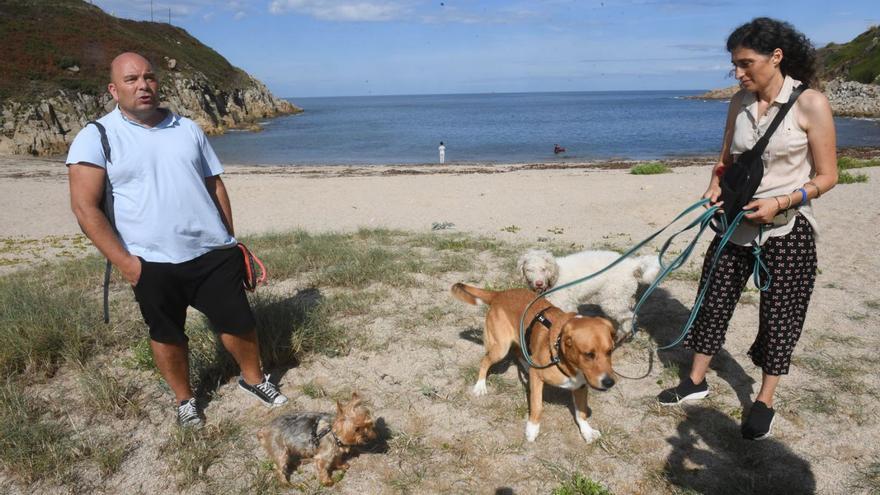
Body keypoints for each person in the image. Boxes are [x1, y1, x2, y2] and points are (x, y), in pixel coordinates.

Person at [66, 52, 288, 428]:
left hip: (211, 251)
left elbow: (214, 183)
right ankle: (185, 399)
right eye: (132, 79)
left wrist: (229, 240)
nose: (143, 86)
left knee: (239, 321)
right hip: (149, 260)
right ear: (113, 89)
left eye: (149, 78)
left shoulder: (187, 128)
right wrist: (127, 264)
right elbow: (85, 209)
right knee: (167, 333)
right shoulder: (96, 136)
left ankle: (253, 380)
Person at [656, 18, 838, 440]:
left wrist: (782, 200)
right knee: (711, 299)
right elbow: (726, 159)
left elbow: (828, 176)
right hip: (734, 224)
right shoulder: (738, 102)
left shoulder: (811, 104)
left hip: (786, 228)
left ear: (776, 57)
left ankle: (764, 400)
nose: (738, 73)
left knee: (780, 316)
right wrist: (713, 187)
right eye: (734, 65)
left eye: (746, 64)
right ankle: (695, 381)